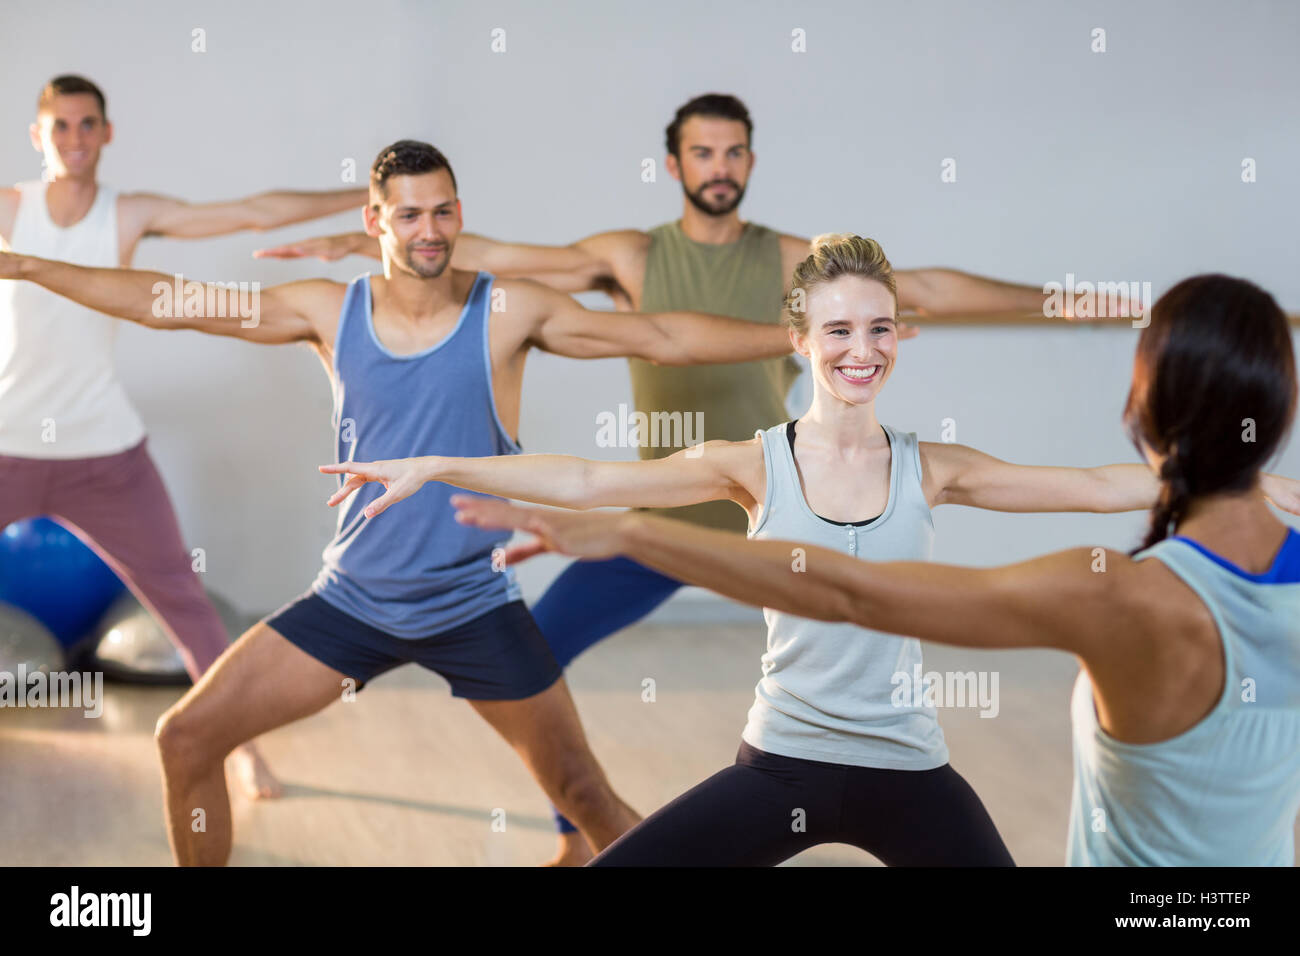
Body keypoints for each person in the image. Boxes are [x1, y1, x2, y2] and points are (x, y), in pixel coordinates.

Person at [263, 93, 1073, 863]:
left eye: (732, 153)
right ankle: (583, 828)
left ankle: (870, 784)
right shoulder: (633, 254)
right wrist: (375, 245)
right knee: (539, 652)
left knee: (853, 649)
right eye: (702, 153)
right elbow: (498, 257)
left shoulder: (794, 258)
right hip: (680, 505)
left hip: (794, 510)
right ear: (673, 164)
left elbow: (924, 287)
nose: (719, 167)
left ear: (751, 161)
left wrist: (1065, 301)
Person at [321, 235, 1300, 864]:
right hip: (781, 756)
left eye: (879, 327)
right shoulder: (748, 463)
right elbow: (584, 478)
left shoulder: (934, 465)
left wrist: (1244, 479)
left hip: (909, 767)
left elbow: (1094, 486)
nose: (860, 348)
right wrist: (442, 461)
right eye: (838, 329)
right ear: (798, 338)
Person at [0, 138, 803, 866]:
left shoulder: (507, 310)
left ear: (461, 212)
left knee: (585, 797)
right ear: (373, 220)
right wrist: (33, 268)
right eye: (411, 213)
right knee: (185, 738)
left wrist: (799, 337)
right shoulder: (327, 309)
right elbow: (165, 302)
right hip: (354, 599)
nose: (431, 228)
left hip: (474, 604)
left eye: (444, 209)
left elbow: (662, 337)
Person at [0, 74, 367, 799]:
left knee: (183, 604)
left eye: (87, 125)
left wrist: (367, 198)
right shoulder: (10, 209)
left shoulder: (128, 213)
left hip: (105, 450)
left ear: (108, 134)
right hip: (9, 443)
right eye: (60, 127)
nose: (74, 139)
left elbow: (253, 212)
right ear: (38, 136)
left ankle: (243, 750)